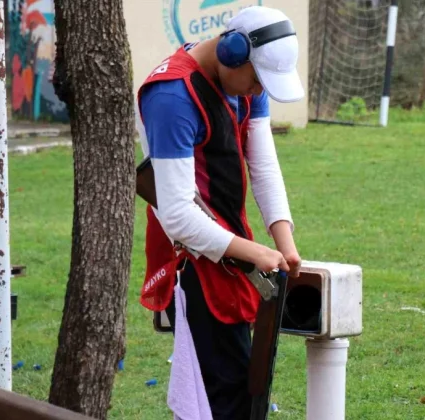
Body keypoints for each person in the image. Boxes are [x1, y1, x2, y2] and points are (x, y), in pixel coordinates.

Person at [134, 5, 304, 419]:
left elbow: (262, 167)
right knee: (227, 397)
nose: (256, 91)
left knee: (240, 390)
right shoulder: (172, 97)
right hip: (193, 262)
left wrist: (285, 243)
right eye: (256, 79)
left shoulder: (247, 83)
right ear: (232, 52)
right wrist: (254, 252)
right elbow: (176, 215)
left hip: (230, 253)